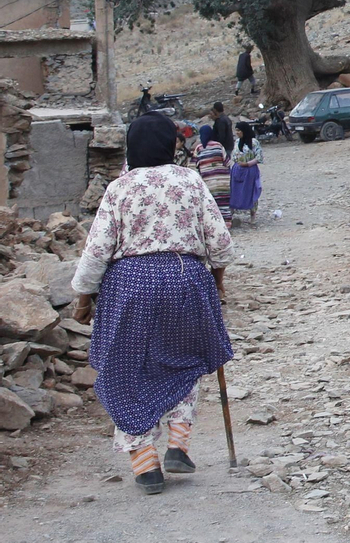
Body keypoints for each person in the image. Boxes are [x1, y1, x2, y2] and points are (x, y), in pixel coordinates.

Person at [71, 113, 234, 495]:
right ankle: (178, 443)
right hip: (186, 279)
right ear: (170, 145)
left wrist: (83, 299)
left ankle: (146, 465)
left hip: (130, 284)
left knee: (123, 370)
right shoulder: (190, 180)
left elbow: (97, 252)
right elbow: (221, 245)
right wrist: (217, 283)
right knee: (187, 359)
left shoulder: (118, 188)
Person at [195, 125, 232, 226]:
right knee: (224, 202)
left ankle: (215, 225)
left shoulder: (199, 148)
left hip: (207, 181)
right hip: (222, 180)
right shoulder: (218, 145)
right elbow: (227, 162)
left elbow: (194, 165)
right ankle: (227, 224)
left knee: (211, 203)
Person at [230, 122, 263, 223]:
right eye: (236, 130)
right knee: (235, 191)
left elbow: (259, 157)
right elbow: (234, 155)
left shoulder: (254, 142)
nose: (237, 133)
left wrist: (247, 163)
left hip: (250, 170)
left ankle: (252, 215)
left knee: (251, 191)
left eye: (239, 130)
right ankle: (231, 214)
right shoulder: (237, 142)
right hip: (237, 170)